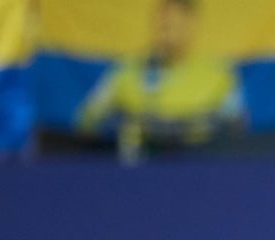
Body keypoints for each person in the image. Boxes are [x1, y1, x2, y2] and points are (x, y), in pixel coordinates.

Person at [75, 0, 245, 162]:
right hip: (136, 166)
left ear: (191, 24)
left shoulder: (218, 74)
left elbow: (235, 125)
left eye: (174, 26)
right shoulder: (126, 71)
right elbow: (88, 120)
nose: (167, 33)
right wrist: (126, 124)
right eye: (163, 26)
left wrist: (185, 129)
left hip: (199, 167)